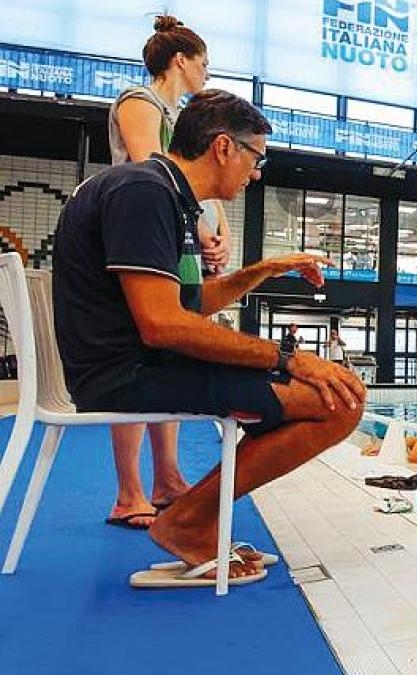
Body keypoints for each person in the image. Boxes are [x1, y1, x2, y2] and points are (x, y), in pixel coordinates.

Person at [53, 89, 365, 586]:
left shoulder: (161, 193)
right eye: (256, 157)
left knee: (319, 394)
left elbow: (188, 305)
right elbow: (163, 325)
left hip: (133, 361)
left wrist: (264, 269)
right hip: (124, 373)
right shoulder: (144, 191)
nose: (257, 171)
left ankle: (196, 515)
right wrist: (288, 358)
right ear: (224, 147)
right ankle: (189, 520)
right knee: (339, 401)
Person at [102, 14, 230, 530]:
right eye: (203, 63)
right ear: (181, 60)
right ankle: (128, 491)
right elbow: (149, 169)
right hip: (141, 247)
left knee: (168, 368)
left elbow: (193, 188)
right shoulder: (140, 101)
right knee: (135, 367)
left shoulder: (177, 116)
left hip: (176, 251)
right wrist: (202, 231)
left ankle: (167, 479)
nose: (206, 73)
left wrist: (213, 238)